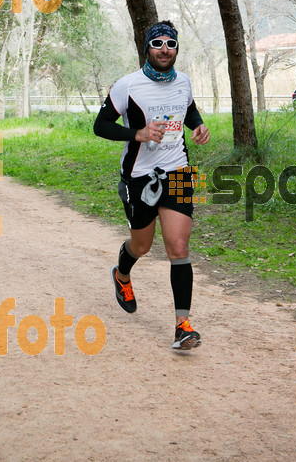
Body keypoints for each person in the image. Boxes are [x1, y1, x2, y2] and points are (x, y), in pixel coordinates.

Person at [93, 20, 211, 350]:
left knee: (178, 247)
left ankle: (182, 326)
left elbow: (188, 110)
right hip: (140, 177)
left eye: (170, 44)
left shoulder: (183, 82)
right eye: (157, 43)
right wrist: (138, 134)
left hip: (177, 172)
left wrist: (199, 127)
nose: (164, 50)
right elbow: (100, 125)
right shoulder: (127, 85)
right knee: (141, 246)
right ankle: (122, 273)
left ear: (176, 49)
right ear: (147, 48)